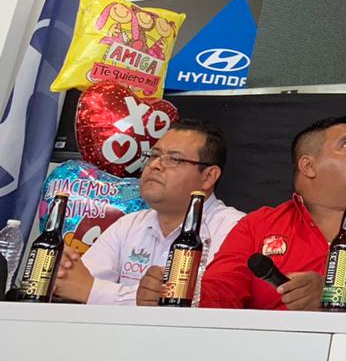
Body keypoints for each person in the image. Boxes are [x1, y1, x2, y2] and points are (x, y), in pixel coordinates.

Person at [199, 115, 346, 312]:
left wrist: (333, 294)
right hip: (271, 345)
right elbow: (221, 289)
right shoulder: (257, 225)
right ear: (309, 166)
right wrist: (182, 291)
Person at [52, 118, 245, 306]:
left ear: (208, 177)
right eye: (153, 155)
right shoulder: (128, 224)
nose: (154, 165)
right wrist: (63, 272)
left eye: (174, 159)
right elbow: (75, 285)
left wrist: (93, 292)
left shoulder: (234, 229)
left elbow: (197, 303)